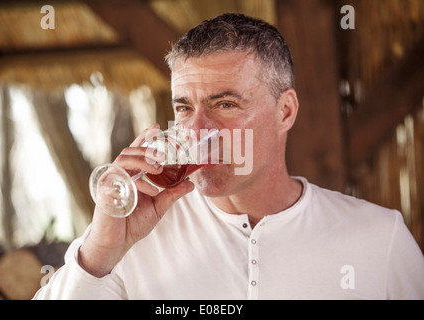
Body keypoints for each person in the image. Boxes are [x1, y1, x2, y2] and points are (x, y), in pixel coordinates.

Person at [34, 13, 424, 300]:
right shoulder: (130, 240)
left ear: (285, 111)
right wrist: (99, 255)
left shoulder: (379, 238)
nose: (197, 130)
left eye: (225, 104)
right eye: (184, 108)